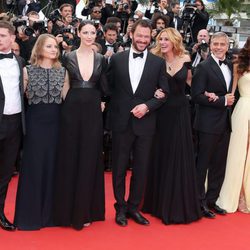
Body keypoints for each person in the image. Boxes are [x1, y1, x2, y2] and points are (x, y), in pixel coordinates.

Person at [107, 19, 169, 227]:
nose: (143, 40)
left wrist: (148, 106)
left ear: (150, 37)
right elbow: (108, 89)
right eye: (139, 35)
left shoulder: (158, 63)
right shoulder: (116, 59)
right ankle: (120, 207)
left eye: (146, 36)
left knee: (141, 168)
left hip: (146, 123)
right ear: (131, 34)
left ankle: (134, 207)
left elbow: (164, 93)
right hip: (121, 122)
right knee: (119, 168)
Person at [142, 28, 201, 224]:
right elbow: (145, 83)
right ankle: (156, 202)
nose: (163, 42)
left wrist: (210, 94)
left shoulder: (186, 58)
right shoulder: (154, 59)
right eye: (161, 39)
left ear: (175, 40)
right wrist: (154, 93)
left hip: (180, 112)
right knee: (161, 153)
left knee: (179, 154)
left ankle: (177, 203)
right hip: (160, 112)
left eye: (167, 39)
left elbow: (192, 83)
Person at [53, 20, 108, 230]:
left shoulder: (102, 59)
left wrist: (103, 103)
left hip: (93, 111)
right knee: (70, 157)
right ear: (78, 33)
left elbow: (105, 87)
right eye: (85, 32)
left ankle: (85, 210)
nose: (88, 35)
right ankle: (67, 211)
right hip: (71, 110)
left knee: (89, 157)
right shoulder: (67, 57)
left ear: (96, 34)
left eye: (92, 32)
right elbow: (65, 87)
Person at [14, 34, 69, 230]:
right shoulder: (27, 71)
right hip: (35, 126)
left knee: (54, 167)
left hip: (56, 126)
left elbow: (68, 102)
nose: (54, 49)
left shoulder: (63, 72)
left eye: (56, 46)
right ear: (39, 48)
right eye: (49, 46)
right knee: (33, 168)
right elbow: (18, 100)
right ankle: (29, 217)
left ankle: (51, 216)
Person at [191, 32, 234, 218]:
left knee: (219, 165)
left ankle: (212, 200)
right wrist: (222, 101)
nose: (218, 47)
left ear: (227, 46)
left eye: (221, 44)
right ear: (209, 44)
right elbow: (196, 96)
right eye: (215, 43)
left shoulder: (231, 65)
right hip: (207, 124)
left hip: (225, 123)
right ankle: (199, 203)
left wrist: (227, 101)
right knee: (203, 165)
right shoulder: (203, 67)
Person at [216, 37, 250, 213]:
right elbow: (231, 92)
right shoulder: (239, 64)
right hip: (243, 111)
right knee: (238, 151)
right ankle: (234, 194)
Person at [0, 20, 25, 231]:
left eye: (1, 35)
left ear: (12, 38)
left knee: (6, 172)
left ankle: (0, 212)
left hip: (15, 123)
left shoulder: (20, 61)